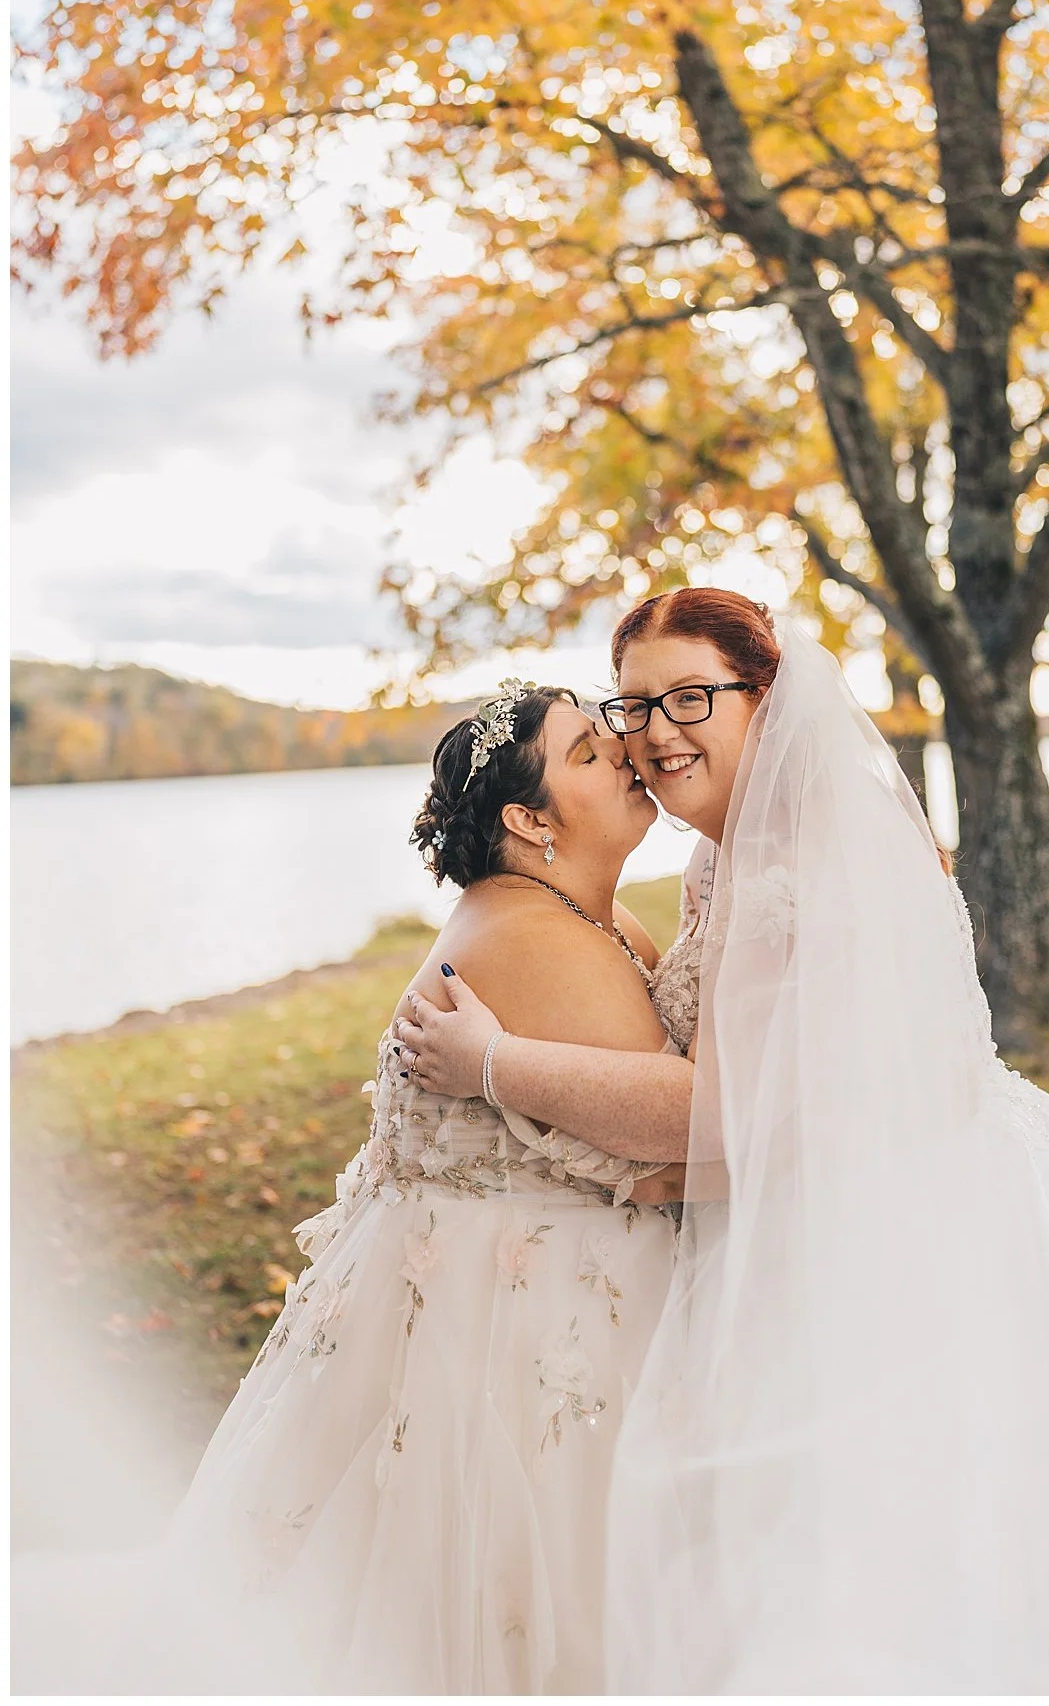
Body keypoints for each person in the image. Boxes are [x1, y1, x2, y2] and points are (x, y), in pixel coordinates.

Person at [399, 588, 1049, 1695]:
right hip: (833, 1187)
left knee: (904, 1535)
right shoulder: (729, 849)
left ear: (764, 697)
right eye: (635, 705)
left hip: (923, 1216)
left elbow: (736, 1107)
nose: (657, 731)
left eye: (691, 697)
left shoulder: (809, 854)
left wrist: (495, 1063)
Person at [12, 681, 690, 1696]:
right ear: (527, 818)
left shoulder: (573, 918)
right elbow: (676, 1142)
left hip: (493, 1295)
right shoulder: (530, 936)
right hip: (507, 1330)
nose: (629, 751)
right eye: (590, 753)